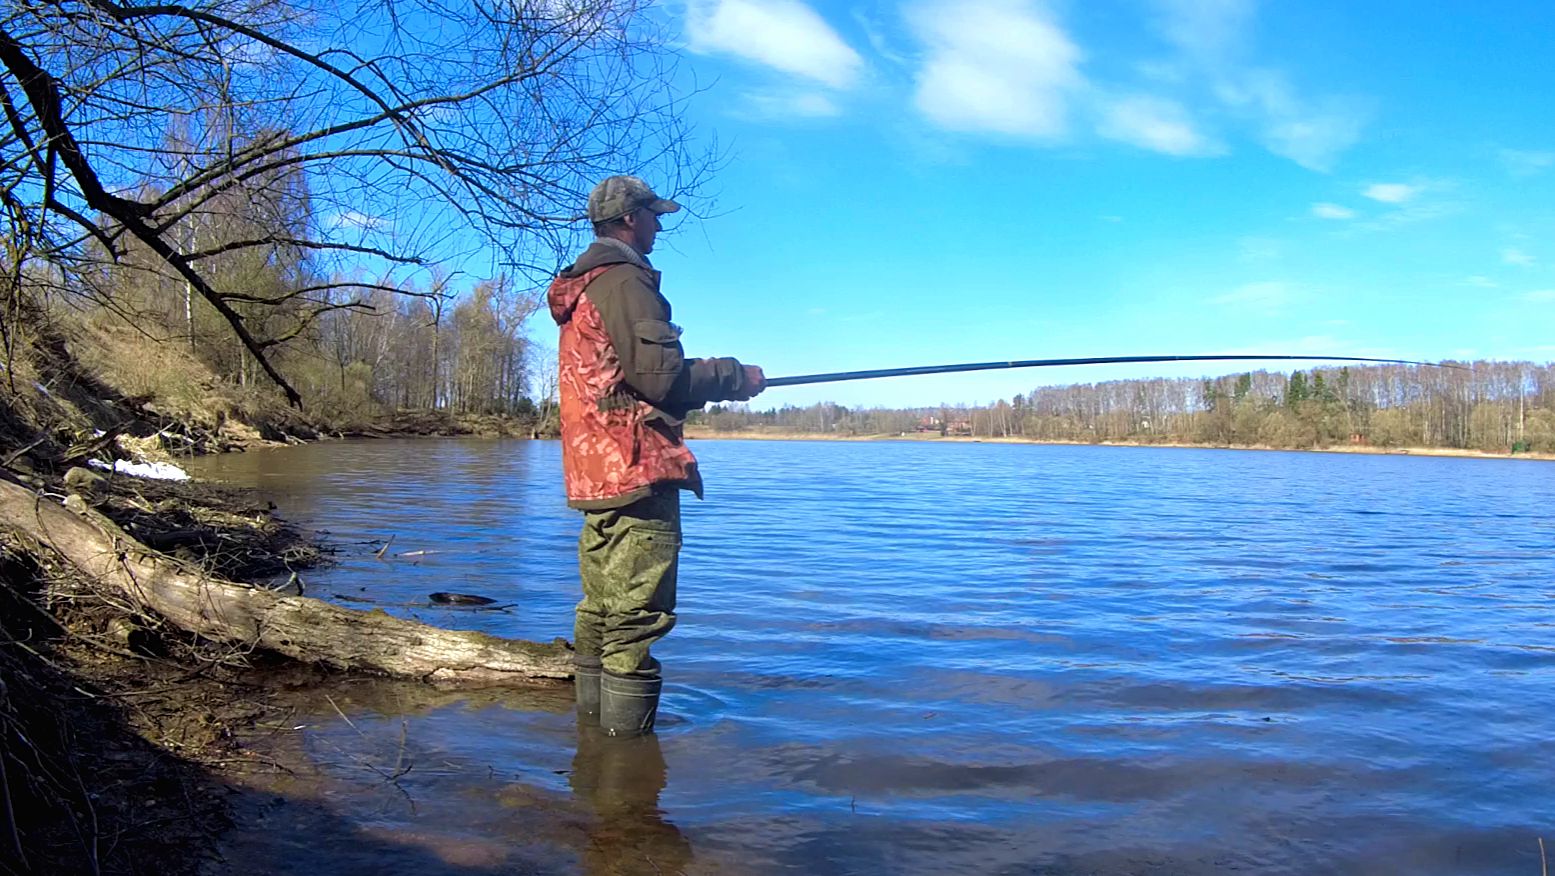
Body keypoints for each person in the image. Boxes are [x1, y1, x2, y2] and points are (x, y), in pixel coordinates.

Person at [546, 175, 765, 737]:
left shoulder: (586, 286)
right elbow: (661, 379)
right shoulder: (625, 283)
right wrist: (735, 376)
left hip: (598, 474)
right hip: (637, 466)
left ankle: (592, 751)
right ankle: (624, 773)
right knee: (635, 620)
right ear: (627, 220)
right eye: (652, 215)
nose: (659, 226)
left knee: (601, 612)